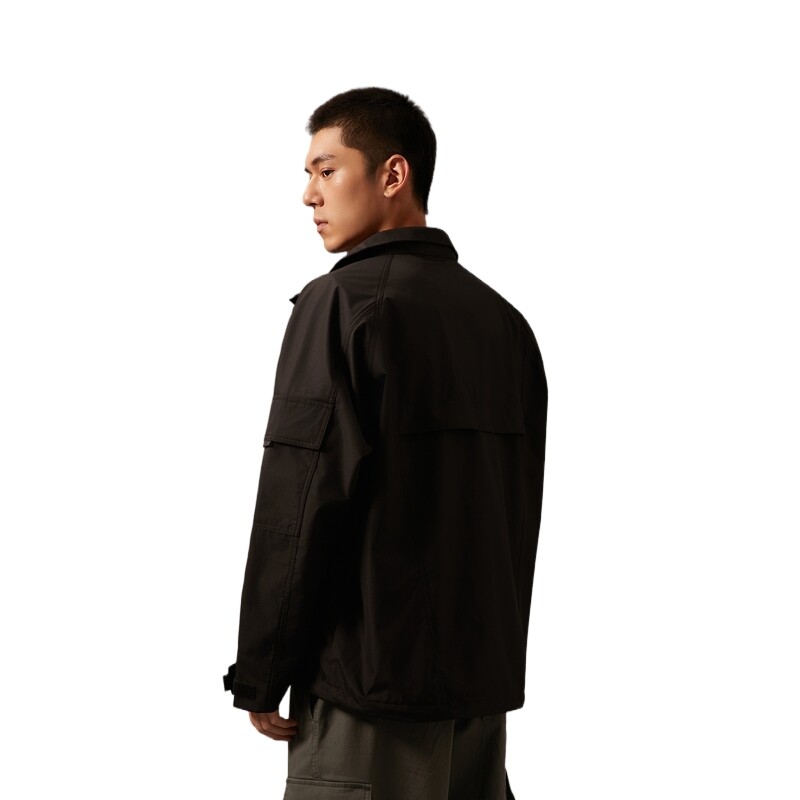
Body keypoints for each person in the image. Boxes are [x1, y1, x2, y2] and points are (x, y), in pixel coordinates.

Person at [223, 87, 548, 800]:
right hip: (477, 709)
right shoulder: (504, 323)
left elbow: (298, 502)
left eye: (327, 170)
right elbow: (515, 512)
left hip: (364, 704)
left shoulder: (341, 304)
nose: (309, 195)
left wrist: (261, 670)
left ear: (393, 174)